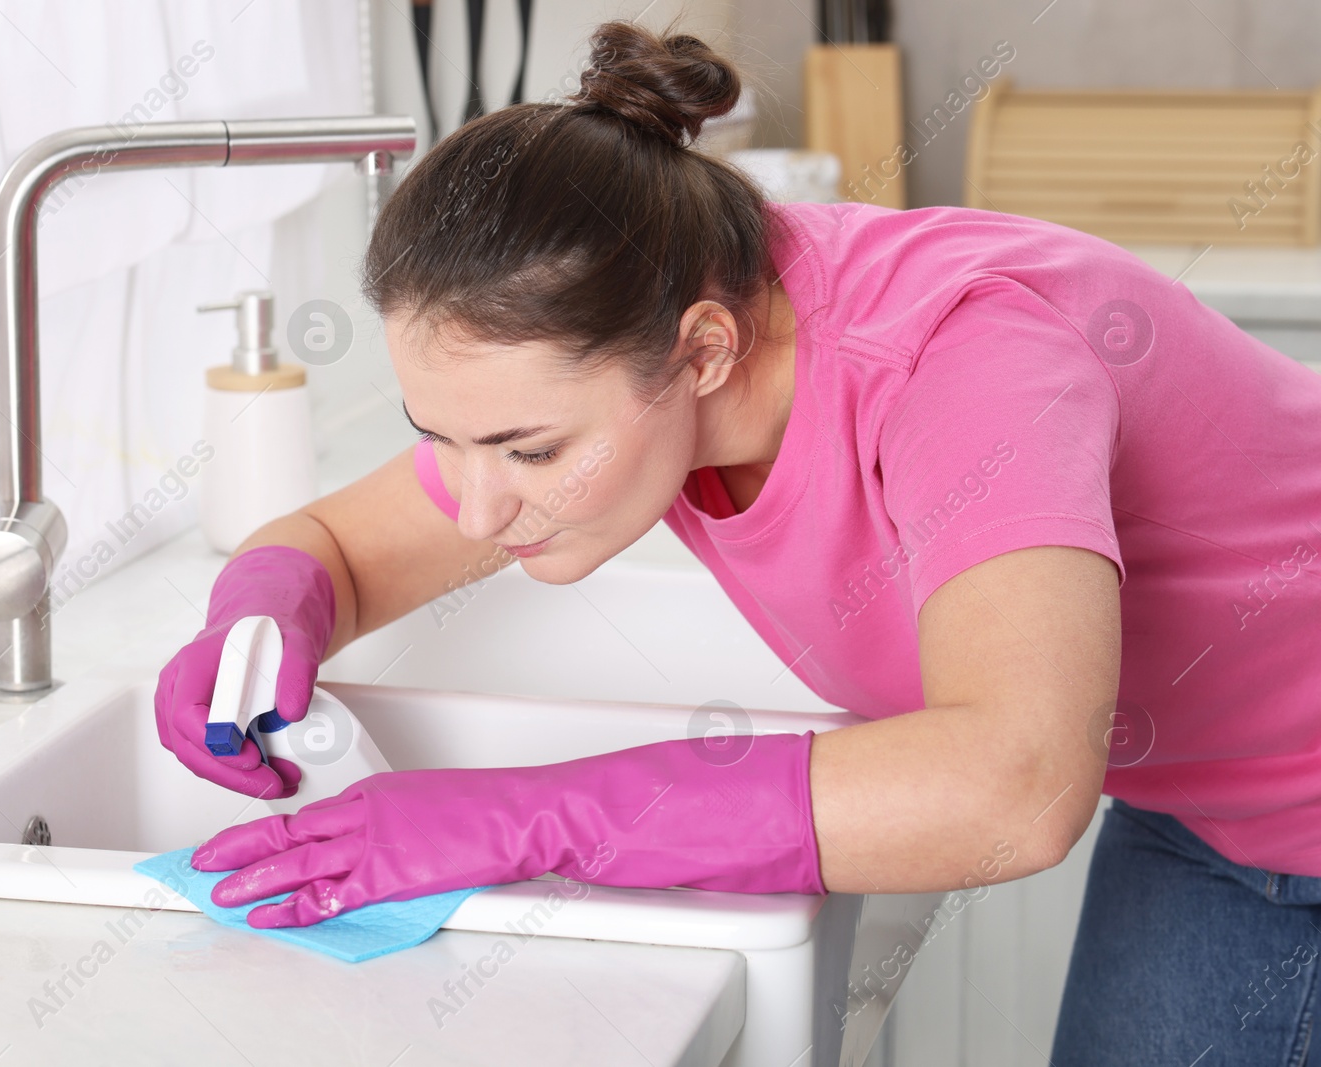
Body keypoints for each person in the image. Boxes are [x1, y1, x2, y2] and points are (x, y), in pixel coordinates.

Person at [154, 21, 1321, 1063]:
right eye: (442, 439)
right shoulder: (637, 333)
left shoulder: (963, 367)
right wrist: (264, 606)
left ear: (706, 351)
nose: (473, 509)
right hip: (1204, 801)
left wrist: (528, 818)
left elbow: (1011, 785)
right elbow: (344, 550)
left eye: (526, 451)